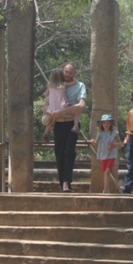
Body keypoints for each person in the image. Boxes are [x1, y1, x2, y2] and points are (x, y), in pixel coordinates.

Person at [51, 63, 87, 192]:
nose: (68, 75)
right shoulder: (57, 85)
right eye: (66, 72)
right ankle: (63, 184)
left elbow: (81, 105)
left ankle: (66, 181)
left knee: (69, 152)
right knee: (59, 153)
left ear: (74, 73)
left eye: (70, 72)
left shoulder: (80, 86)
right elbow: (47, 100)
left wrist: (65, 110)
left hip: (72, 123)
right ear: (63, 71)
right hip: (59, 123)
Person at [40, 68, 74, 142]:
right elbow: (73, 83)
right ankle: (45, 134)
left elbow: (46, 94)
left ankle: (45, 133)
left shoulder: (50, 85)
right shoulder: (63, 85)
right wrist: (73, 77)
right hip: (60, 106)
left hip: (52, 106)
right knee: (54, 119)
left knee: (53, 120)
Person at [91, 114, 121, 194]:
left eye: (108, 123)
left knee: (107, 171)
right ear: (102, 124)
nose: (106, 125)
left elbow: (120, 143)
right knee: (105, 172)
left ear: (111, 124)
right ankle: (106, 189)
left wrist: (114, 144)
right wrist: (92, 141)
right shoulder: (100, 133)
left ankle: (105, 189)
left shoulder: (114, 132)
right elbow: (96, 142)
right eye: (104, 123)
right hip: (103, 154)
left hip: (111, 154)